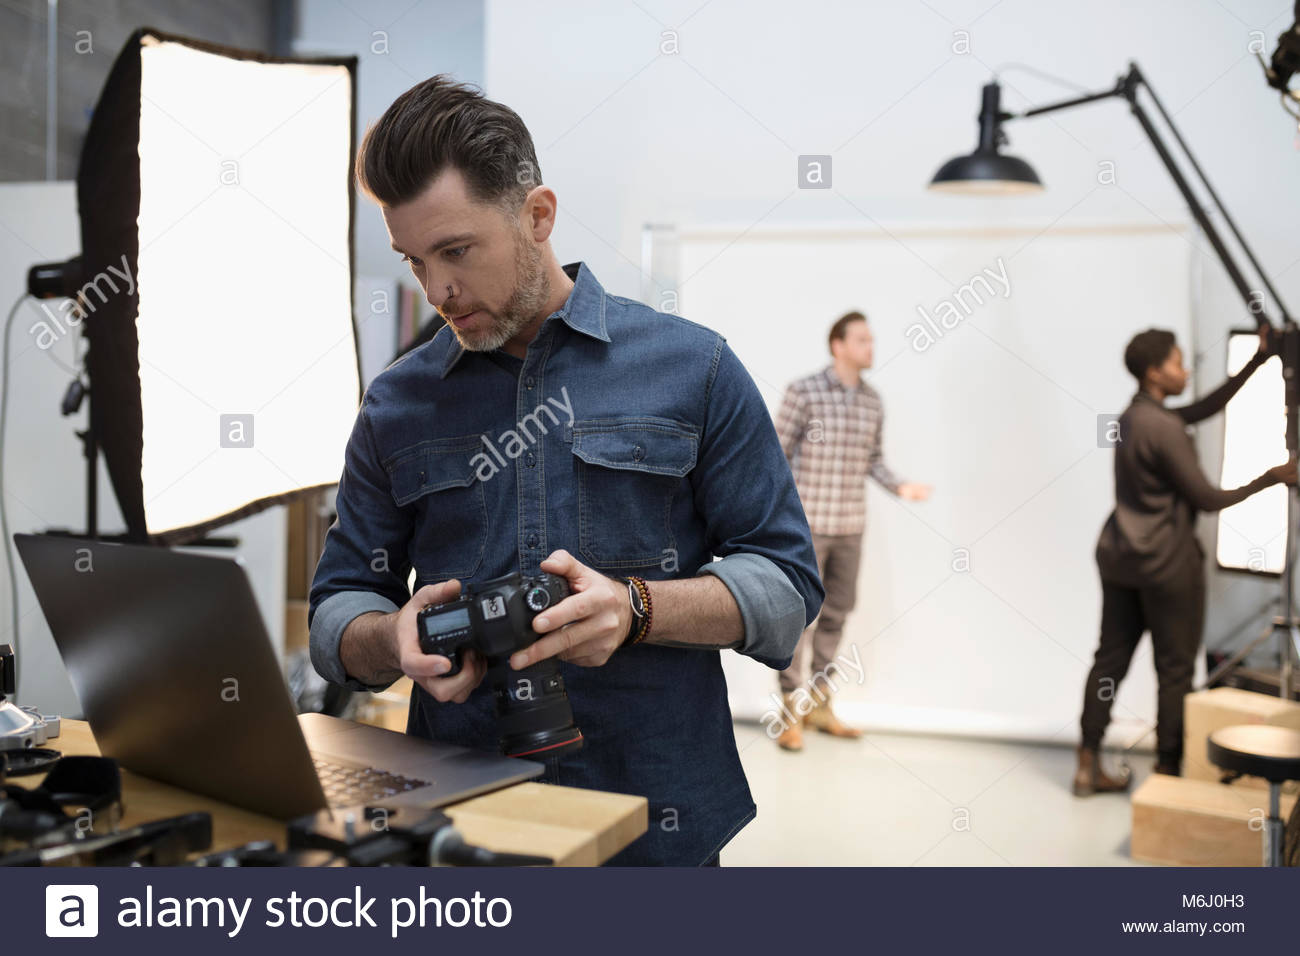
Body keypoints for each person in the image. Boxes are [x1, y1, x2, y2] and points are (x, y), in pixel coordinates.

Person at [307, 76, 824, 866]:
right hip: (456, 828)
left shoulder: (696, 368)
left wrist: (637, 609)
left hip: (655, 825)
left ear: (536, 216)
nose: (437, 291)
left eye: (456, 251)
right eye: (414, 262)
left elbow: (787, 588)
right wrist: (389, 636)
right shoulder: (397, 402)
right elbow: (335, 611)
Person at [1075, 327, 1298, 795]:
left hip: (1120, 559)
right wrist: (1273, 476)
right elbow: (1207, 498)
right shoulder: (1165, 428)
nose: (1186, 370)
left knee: (1109, 662)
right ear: (1155, 372)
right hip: (1166, 567)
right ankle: (1168, 775)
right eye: (1178, 363)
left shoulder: (1137, 416)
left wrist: (1257, 362)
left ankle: (1086, 762)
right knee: (1174, 671)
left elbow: (1201, 409)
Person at [772, 312, 931, 751]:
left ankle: (820, 706)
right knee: (799, 619)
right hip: (807, 529)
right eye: (862, 340)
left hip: (850, 529)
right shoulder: (803, 392)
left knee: (836, 616)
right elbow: (774, 455)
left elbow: (873, 460)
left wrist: (901, 485)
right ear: (838, 345)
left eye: (872, 340)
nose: (870, 347)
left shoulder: (872, 402)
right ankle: (788, 714)